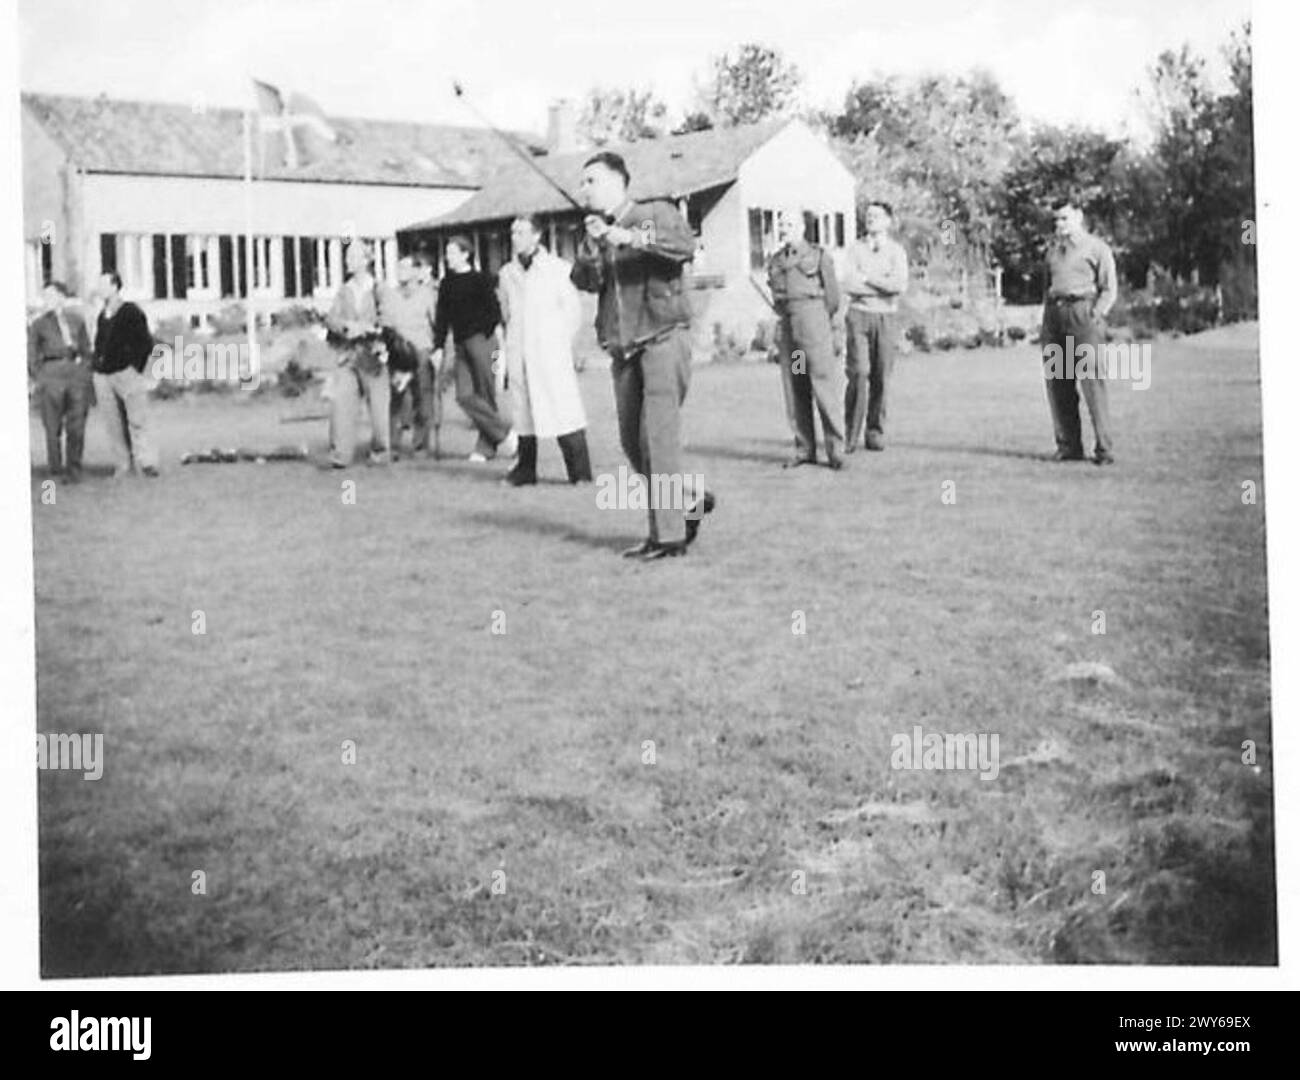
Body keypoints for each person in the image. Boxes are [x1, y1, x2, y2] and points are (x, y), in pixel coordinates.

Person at [571, 150, 712, 560]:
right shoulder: (597, 231)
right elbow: (584, 280)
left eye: (591, 181)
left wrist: (629, 237)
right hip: (624, 347)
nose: (584, 189)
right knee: (634, 444)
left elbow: (682, 246)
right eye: (582, 183)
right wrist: (594, 247)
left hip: (664, 337)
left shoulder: (655, 213)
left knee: (658, 440)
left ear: (618, 181)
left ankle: (667, 538)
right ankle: (687, 501)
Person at [497, 215, 592, 485]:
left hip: (550, 353)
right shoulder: (507, 274)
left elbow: (572, 310)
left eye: (521, 232)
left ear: (536, 236)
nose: (515, 237)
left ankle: (580, 473)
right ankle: (526, 470)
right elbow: (507, 312)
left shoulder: (557, 269)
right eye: (513, 232)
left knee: (563, 408)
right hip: (520, 351)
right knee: (523, 411)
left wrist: (559, 342)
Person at [766, 209, 846, 470]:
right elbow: (777, 297)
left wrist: (825, 324)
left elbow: (833, 297)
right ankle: (804, 448)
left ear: (802, 227)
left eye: (789, 224)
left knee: (823, 386)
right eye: (781, 225)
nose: (784, 228)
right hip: (791, 333)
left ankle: (836, 451)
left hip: (814, 326)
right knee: (797, 388)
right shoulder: (777, 260)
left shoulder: (819, 256)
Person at [1041, 201, 1118, 465]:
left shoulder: (1097, 248)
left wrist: (1095, 315)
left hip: (1082, 315)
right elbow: (1048, 285)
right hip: (1055, 316)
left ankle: (1104, 449)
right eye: (1056, 220)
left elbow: (1109, 288)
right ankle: (1069, 446)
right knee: (1058, 384)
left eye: (1064, 218)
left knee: (1092, 384)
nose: (1059, 224)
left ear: (1079, 216)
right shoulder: (1052, 251)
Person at [431, 236, 517, 463]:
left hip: (482, 340)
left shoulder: (481, 279)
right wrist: (438, 346)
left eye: (452, 252)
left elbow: (494, 312)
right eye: (447, 253)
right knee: (465, 395)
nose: (447, 257)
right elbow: (442, 318)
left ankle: (485, 447)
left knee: (485, 395)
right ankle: (505, 435)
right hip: (460, 344)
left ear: (465, 254)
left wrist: (482, 332)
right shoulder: (446, 283)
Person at [842, 200, 909, 452]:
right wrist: (882, 284)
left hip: (886, 318)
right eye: (868, 216)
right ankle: (849, 434)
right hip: (859, 316)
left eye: (876, 216)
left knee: (881, 376)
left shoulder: (896, 251)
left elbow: (899, 286)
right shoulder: (854, 249)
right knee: (859, 372)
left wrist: (867, 279)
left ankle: (874, 432)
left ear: (888, 221)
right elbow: (849, 284)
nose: (871, 219)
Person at [326, 240, 390, 468]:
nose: (348, 261)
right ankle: (340, 455)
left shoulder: (379, 289)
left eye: (353, 257)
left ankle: (380, 453)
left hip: (373, 355)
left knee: (379, 411)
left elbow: (388, 319)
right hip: (348, 355)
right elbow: (331, 319)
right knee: (342, 406)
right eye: (347, 257)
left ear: (367, 260)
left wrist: (368, 328)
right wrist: (346, 327)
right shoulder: (344, 291)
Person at [93, 271, 159, 478]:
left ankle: (146, 462)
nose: (100, 289)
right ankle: (122, 465)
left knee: (137, 419)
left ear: (115, 286)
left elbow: (145, 343)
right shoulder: (102, 316)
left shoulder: (130, 312)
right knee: (113, 423)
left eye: (104, 284)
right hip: (104, 376)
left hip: (126, 374)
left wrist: (134, 368)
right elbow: (99, 344)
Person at [28, 281, 95, 481]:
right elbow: (31, 352)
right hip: (51, 372)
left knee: (77, 423)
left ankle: (74, 468)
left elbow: (86, 348)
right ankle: (55, 469)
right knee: (52, 425)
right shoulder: (39, 324)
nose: (47, 300)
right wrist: (39, 375)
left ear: (61, 297)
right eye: (44, 296)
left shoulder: (76, 319)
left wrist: (85, 370)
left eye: (51, 295)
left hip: (75, 373)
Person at [379, 255, 438, 461]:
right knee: (396, 400)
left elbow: (436, 323)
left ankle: (421, 445)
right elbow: (385, 324)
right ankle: (392, 445)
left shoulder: (427, 295)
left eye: (405, 267)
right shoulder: (390, 296)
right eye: (398, 267)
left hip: (421, 350)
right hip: (398, 352)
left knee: (422, 397)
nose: (401, 271)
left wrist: (436, 350)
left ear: (415, 271)